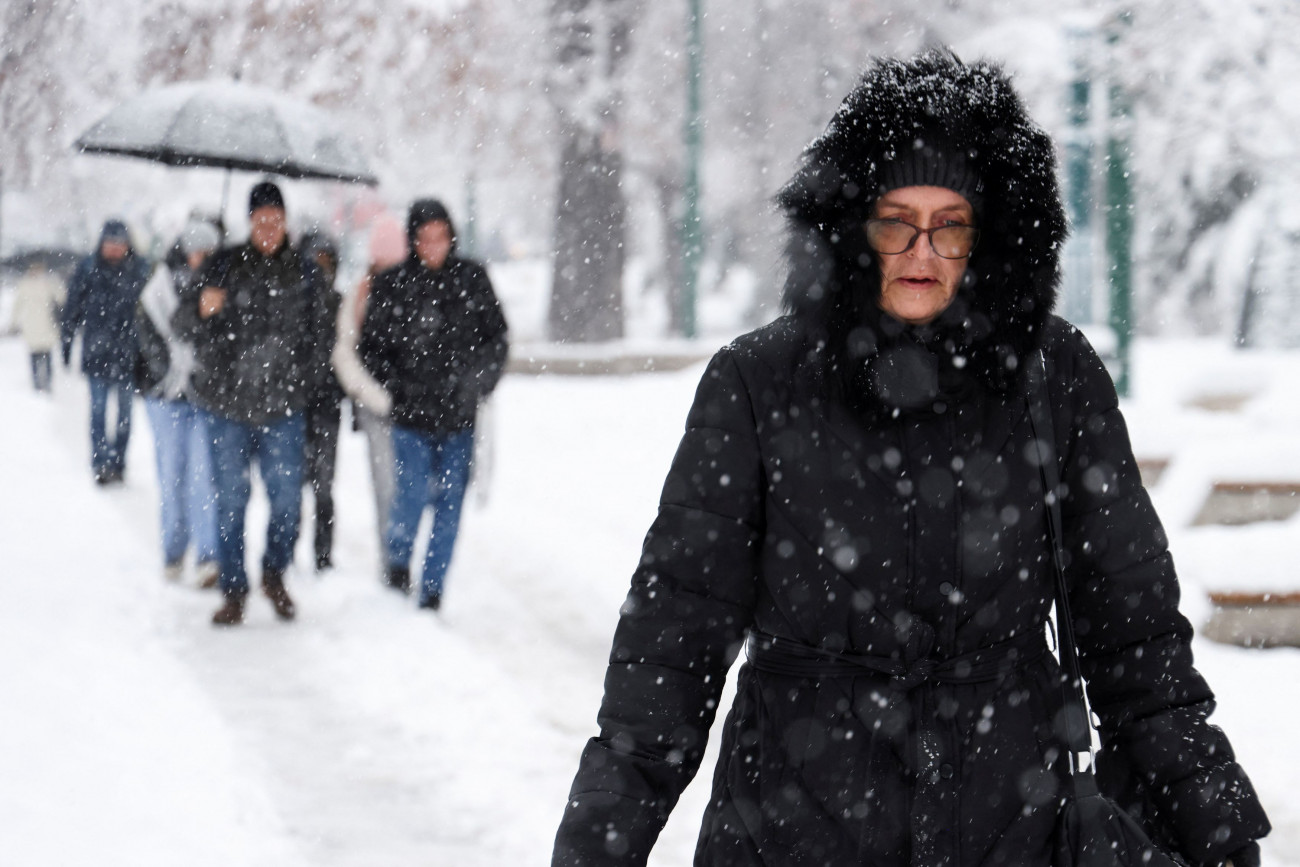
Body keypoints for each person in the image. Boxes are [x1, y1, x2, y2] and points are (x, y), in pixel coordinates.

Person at [551, 52, 1270, 867]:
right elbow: (669, 652)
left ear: (990, 238)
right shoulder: (760, 383)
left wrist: (1218, 831)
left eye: (950, 224)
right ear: (853, 227)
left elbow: (1138, 645)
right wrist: (597, 847)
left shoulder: (1053, 376)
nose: (921, 252)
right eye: (896, 221)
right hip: (790, 829)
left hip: (1012, 828)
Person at [174, 181, 334, 626]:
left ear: (286, 222)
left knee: (286, 502)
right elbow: (182, 324)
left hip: (283, 408)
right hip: (227, 407)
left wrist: (301, 382)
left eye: (275, 220)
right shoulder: (221, 267)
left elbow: (322, 336)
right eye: (260, 220)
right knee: (230, 502)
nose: (268, 228)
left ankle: (274, 573)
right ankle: (233, 589)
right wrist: (203, 309)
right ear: (249, 221)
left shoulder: (305, 273)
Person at [359, 199, 508, 611]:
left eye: (440, 237)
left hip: (460, 416)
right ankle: (398, 563)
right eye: (424, 238)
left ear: (451, 236)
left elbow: (496, 339)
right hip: (410, 417)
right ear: (412, 240)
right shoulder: (392, 285)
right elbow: (371, 347)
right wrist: (398, 386)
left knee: (449, 506)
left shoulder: (473, 279)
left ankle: (433, 588)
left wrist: (479, 382)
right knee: (408, 497)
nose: (433, 246)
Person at [136, 218, 222, 587]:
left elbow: (223, 341)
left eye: (208, 251)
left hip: (204, 397)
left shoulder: (221, 287)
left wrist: (201, 371)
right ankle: (173, 551)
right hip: (164, 396)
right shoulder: (157, 289)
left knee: (204, 478)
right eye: (195, 250)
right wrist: (171, 373)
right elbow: (147, 338)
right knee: (171, 476)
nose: (199, 257)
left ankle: (208, 556)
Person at [332, 212, 406, 566]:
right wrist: (373, 395)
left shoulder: (416, 289)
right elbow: (344, 352)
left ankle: (401, 556)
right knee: (386, 487)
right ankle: (392, 560)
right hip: (375, 405)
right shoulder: (360, 295)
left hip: (415, 405)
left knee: (411, 489)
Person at [61, 219, 150, 485]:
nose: (114, 249)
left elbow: (149, 314)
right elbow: (72, 309)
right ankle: (101, 463)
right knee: (98, 413)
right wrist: (66, 344)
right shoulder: (88, 270)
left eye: (119, 243)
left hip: (127, 356)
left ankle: (119, 462)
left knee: (125, 417)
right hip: (96, 355)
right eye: (110, 243)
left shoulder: (139, 271)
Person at [299, 230, 344, 572]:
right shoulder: (293, 303)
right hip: (295, 406)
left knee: (323, 486)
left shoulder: (339, 304)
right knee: (290, 485)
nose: (321, 268)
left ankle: (323, 554)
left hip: (327, 407)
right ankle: (288, 548)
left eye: (327, 262)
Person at [12, 259, 66, 393]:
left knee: (46, 354)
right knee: (35, 354)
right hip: (31, 323)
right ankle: (37, 383)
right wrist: (13, 323)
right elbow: (17, 305)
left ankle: (47, 382)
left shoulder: (49, 282)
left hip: (47, 323)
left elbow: (62, 299)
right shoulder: (24, 284)